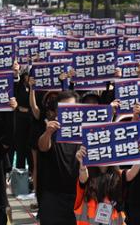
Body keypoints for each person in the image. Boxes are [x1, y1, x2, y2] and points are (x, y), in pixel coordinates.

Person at [35, 90, 82, 224]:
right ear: (56, 111)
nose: (68, 112)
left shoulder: (86, 131)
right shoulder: (51, 128)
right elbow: (42, 146)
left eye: (71, 108)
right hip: (53, 197)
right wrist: (48, 132)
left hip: (78, 196)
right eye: (63, 108)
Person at [74, 143, 140, 225]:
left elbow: (131, 174)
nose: (104, 154)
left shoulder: (118, 176)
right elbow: (83, 176)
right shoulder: (87, 175)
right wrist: (82, 163)